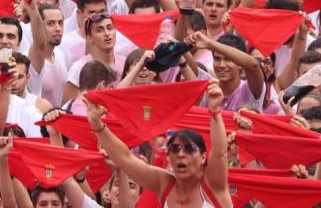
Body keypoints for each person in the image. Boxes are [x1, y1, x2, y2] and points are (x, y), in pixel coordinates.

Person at [85, 80, 230, 207]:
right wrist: (97, 124)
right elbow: (125, 159)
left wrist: (215, 111)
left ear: (204, 157)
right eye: (174, 148)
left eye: (190, 149)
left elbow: (220, 152)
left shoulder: (213, 184)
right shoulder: (164, 183)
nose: (180, 154)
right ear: (168, 157)